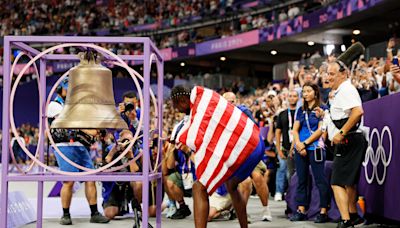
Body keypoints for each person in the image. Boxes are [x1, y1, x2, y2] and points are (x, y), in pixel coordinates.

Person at [171, 86, 264, 228]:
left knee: (198, 187)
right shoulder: (206, 101)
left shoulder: (202, 105)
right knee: (231, 185)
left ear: (182, 100)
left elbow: (194, 139)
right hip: (255, 145)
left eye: (175, 105)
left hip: (245, 148)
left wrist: (179, 139)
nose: (175, 109)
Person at [318, 42, 367, 228]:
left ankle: (346, 221)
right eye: (327, 73)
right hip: (349, 139)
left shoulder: (346, 89)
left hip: (349, 139)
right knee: (349, 183)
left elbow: (357, 112)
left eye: (332, 74)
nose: (328, 77)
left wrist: (341, 132)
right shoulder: (338, 91)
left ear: (344, 74)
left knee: (336, 182)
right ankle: (353, 216)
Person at [47, 78, 109, 225]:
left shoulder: (75, 106)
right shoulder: (54, 105)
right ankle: (65, 214)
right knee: (68, 181)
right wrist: (89, 130)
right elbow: (68, 123)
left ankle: (94, 213)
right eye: (68, 89)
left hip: (80, 146)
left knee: (90, 178)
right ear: (61, 89)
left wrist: (97, 130)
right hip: (64, 146)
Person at [223, 92, 272, 222]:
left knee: (258, 178)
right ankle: (242, 212)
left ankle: (266, 209)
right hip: (234, 155)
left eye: (232, 101)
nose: (229, 104)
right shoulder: (220, 116)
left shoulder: (244, 111)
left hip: (250, 152)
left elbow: (254, 130)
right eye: (226, 101)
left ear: (237, 101)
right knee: (244, 183)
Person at [290, 82, 330, 223]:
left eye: (308, 91)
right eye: (304, 91)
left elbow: (321, 130)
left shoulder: (322, 109)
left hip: (315, 148)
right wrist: (299, 145)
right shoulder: (301, 110)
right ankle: (301, 210)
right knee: (301, 179)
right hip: (301, 148)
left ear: (315, 92)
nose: (305, 94)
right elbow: (295, 129)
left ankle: (323, 211)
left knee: (320, 180)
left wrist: (306, 144)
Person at [275, 90, 299, 203]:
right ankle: (279, 192)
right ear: (287, 98)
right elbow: (278, 132)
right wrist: (278, 149)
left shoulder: (300, 112)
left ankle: (292, 193)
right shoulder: (282, 114)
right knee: (282, 169)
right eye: (290, 96)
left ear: (298, 98)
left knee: (292, 173)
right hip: (284, 147)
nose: (292, 98)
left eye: (295, 96)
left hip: (297, 147)